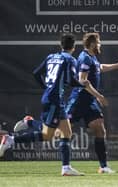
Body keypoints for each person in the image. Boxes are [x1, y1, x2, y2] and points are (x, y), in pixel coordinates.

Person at [0, 33, 91, 176]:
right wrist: (82, 84)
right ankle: (15, 136)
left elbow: (36, 73)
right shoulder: (70, 60)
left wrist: (46, 87)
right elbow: (70, 80)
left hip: (53, 98)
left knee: (65, 132)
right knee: (47, 135)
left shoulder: (51, 57)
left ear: (61, 45)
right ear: (73, 47)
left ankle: (66, 168)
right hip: (55, 100)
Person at [66, 32, 118, 174]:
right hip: (79, 100)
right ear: (93, 43)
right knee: (57, 132)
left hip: (89, 101)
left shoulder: (92, 58)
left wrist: (117, 65)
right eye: (98, 42)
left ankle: (103, 166)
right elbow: (82, 81)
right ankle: (26, 127)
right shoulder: (85, 58)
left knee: (100, 129)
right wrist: (99, 96)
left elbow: (100, 67)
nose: (100, 44)